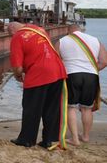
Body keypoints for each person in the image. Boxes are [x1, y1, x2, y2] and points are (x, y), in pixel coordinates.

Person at [8, 21, 68, 149]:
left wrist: (18, 75)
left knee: (31, 108)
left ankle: (27, 139)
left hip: (39, 74)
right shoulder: (39, 30)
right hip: (57, 71)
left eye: (9, 35)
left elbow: (17, 67)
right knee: (52, 109)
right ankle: (49, 140)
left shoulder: (17, 37)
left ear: (12, 30)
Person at [56, 24, 107, 146]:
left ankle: (74, 139)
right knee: (87, 108)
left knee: (71, 107)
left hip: (72, 75)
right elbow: (104, 62)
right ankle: (85, 136)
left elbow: (56, 62)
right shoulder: (95, 40)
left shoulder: (62, 41)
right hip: (91, 76)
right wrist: (92, 70)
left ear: (69, 31)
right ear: (80, 30)